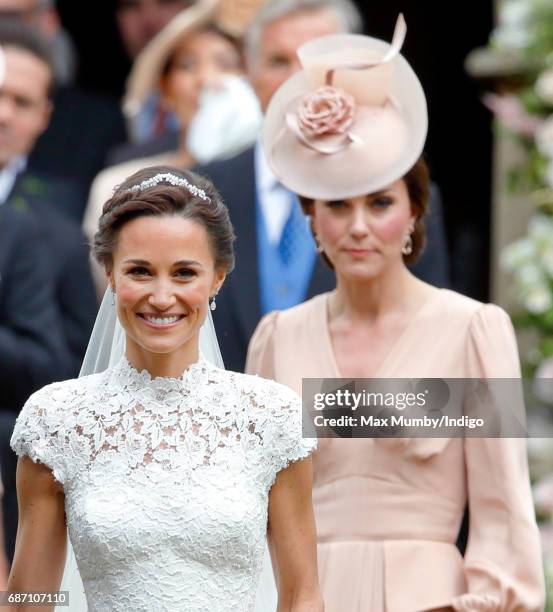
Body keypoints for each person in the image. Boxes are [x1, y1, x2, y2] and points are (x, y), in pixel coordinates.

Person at [246, 17, 545, 612]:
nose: (358, 227)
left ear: (414, 213)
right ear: (312, 220)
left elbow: (502, 507)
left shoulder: (473, 331)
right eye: (337, 204)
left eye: (380, 202)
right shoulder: (278, 338)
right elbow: (254, 511)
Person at [8, 165, 323, 612]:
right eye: (139, 271)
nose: (160, 296)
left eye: (183, 273)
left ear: (217, 277)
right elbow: (28, 599)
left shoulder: (271, 417)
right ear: (110, 274)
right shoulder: (55, 420)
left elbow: (302, 594)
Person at [198, 0, 450, 374]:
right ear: (249, 73)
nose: (298, 81)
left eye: (317, 62)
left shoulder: (397, 194)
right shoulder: (201, 191)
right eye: (279, 62)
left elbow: (434, 350)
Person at [85, 0, 261, 295]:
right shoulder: (116, 184)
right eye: (187, 66)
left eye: (227, 64)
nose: (206, 80)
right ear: (165, 90)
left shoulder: (270, 183)